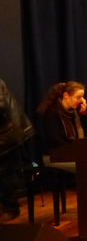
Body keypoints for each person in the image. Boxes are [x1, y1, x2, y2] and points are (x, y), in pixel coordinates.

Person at [0, 79, 35, 221]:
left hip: (6, 136)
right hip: (7, 133)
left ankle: (11, 209)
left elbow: (1, 108)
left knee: (5, 174)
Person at [37, 81, 87, 173]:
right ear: (66, 95)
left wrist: (83, 114)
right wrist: (74, 151)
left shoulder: (74, 113)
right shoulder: (52, 112)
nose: (80, 101)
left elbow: (86, 133)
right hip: (53, 157)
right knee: (85, 167)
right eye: (78, 97)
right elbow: (54, 139)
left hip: (71, 154)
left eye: (82, 97)